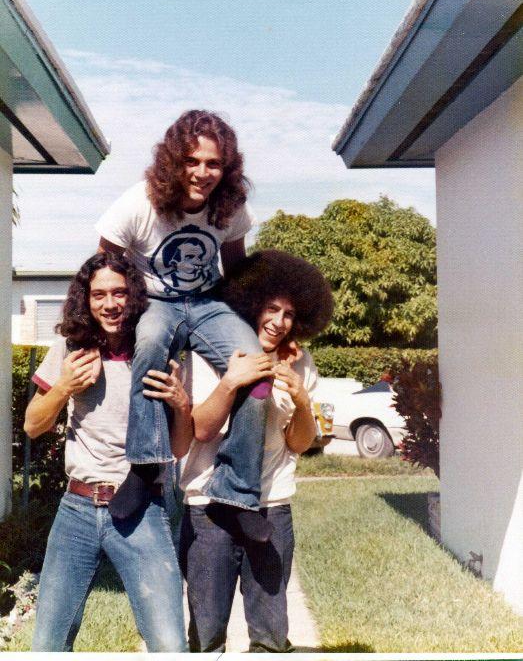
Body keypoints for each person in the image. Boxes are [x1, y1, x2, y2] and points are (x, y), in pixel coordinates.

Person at [96, 109, 273, 541]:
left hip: (209, 300)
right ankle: (144, 466)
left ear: (226, 168)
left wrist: (250, 327)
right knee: (152, 341)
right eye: (192, 161)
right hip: (156, 300)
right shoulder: (141, 201)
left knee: (257, 367)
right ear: (174, 162)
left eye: (213, 163)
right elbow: (106, 259)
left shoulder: (230, 206)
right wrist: (120, 314)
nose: (202, 172)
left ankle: (236, 493)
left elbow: (234, 266)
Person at [24, 252, 191, 652]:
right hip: (76, 509)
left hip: (141, 508)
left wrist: (182, 405)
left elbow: (180, 447)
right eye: (99, 294)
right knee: (47, 645)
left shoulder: (157, 353)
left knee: (169, 644)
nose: (110, 304)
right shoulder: (71, 349)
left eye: (119, 292)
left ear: (134, 295)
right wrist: (65, 386)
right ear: (86, 299)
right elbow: (33, 424)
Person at [179, 249, 334, 652]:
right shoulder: (209, 352)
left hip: (271, 505)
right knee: (207, 633)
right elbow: (200, 429)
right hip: (208, 506)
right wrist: (231, 383)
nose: (278, 322)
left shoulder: (301, 363)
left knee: (269, 633)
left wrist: (300, 398)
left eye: (288, 314)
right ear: (250, 304)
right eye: (271, 308)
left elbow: (299, 443)